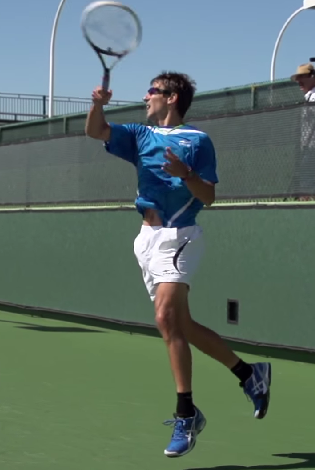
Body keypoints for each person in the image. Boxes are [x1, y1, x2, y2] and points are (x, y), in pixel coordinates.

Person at [84, 71, 272, 458]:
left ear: (171, 98)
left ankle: (186, 413)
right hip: (147, 241)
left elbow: (209, 196)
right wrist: (97, 104)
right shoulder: (139, 135)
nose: (145, 96)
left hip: (181, 235)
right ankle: (249, 373)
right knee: (180, 325)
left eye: (152, 91)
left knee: (165, 317)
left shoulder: (198, 141)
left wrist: (185, 174)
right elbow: (96, 130)